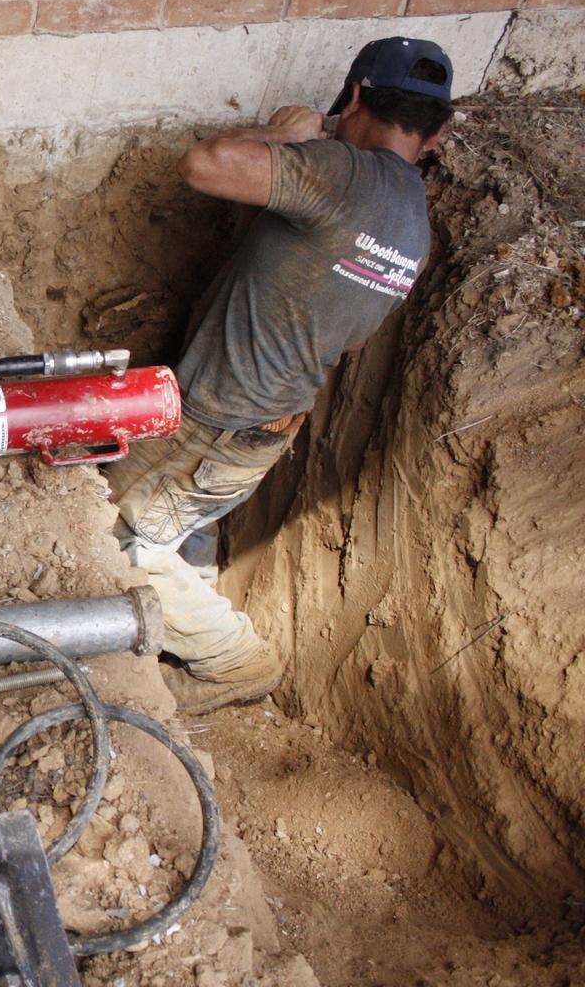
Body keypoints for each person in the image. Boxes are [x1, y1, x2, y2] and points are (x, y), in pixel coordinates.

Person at [107, 36, 456, 714]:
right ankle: (170, 640)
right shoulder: (413, 226)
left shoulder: (347, 172)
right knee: (183, 532)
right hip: (268, 426)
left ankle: (236, 662)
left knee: (118, 541)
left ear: (352, 97)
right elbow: (352, 342)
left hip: (214, 416)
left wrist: (285, 134)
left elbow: (207, 164)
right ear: (438, 135)